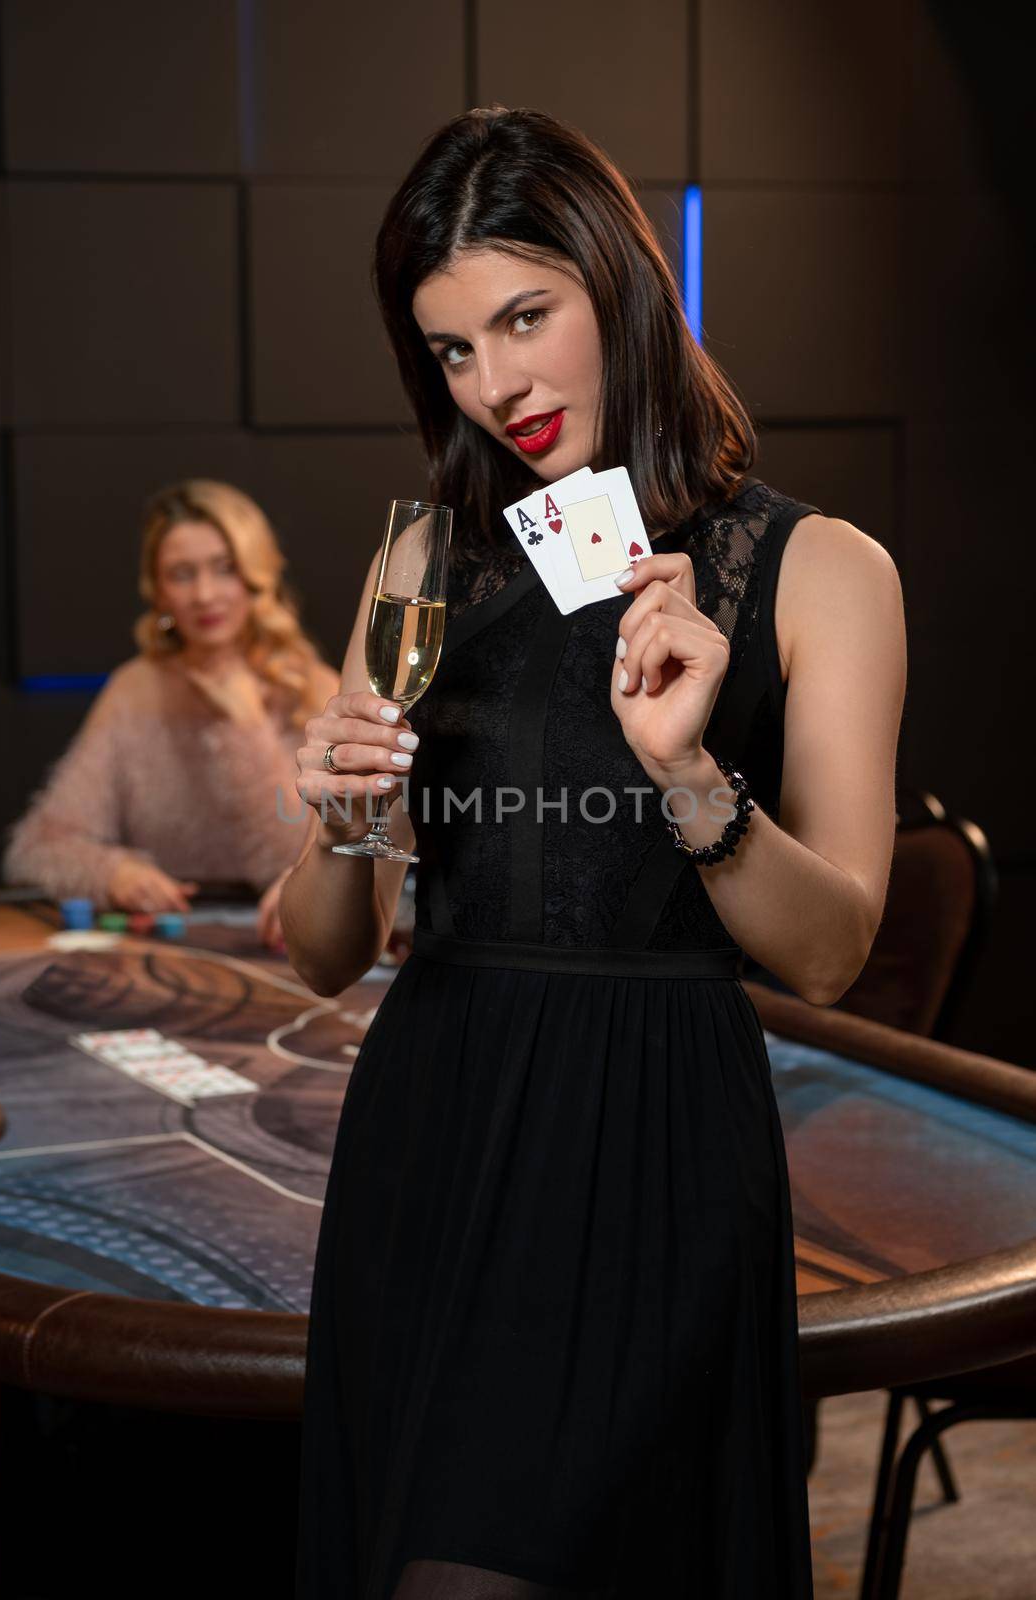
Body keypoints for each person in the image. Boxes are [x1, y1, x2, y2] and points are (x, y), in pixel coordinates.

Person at [283, 106, 906, 1599]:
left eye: (521, 317)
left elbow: (829, 952)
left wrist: (686, 772)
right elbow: (325, 948)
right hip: (433, 1117)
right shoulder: (421, 560)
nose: (493, 384)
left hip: (652, 1141)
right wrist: (340, 806)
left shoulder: (819, 570)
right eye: (448, 350)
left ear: (618, 282)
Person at [2, 479, 339, 948]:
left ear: (258, 576)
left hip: (289, 949)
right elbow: (38, 846)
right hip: (168, 943)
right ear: (157, 591)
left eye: (224, 569)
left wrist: (244, 726)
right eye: (182, 574)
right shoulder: (134, 690)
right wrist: (113, 873)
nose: (204, 595)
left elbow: (299, 861)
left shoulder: (314, 687)